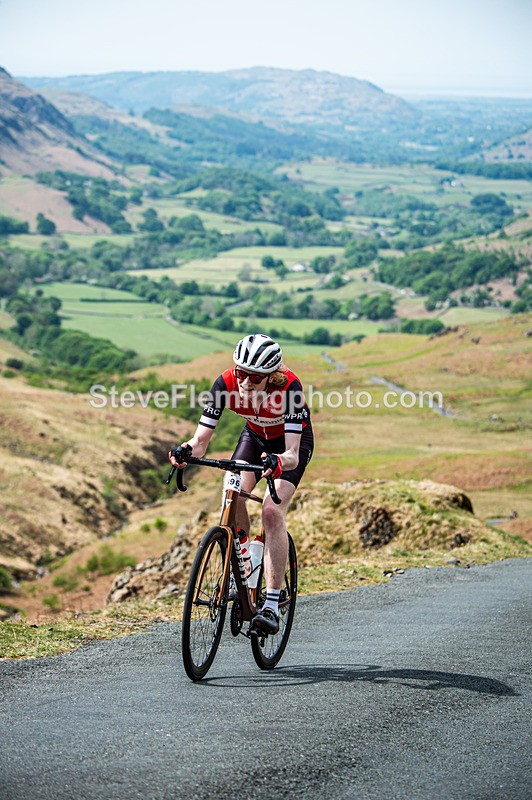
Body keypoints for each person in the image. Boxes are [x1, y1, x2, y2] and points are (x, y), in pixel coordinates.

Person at [169, 333, 313, 635]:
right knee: (230, 494)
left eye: (255, 377)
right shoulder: (225, 384)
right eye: (241, 373)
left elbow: (291, 454)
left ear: (270, 376)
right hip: (254, 437)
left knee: (272, 513)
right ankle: (245, 565)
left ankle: (272, 604)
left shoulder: (290, 389)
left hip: (288, 449)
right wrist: (185, 450)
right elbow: (201, 441)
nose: (246, 382)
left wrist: (276, 462)